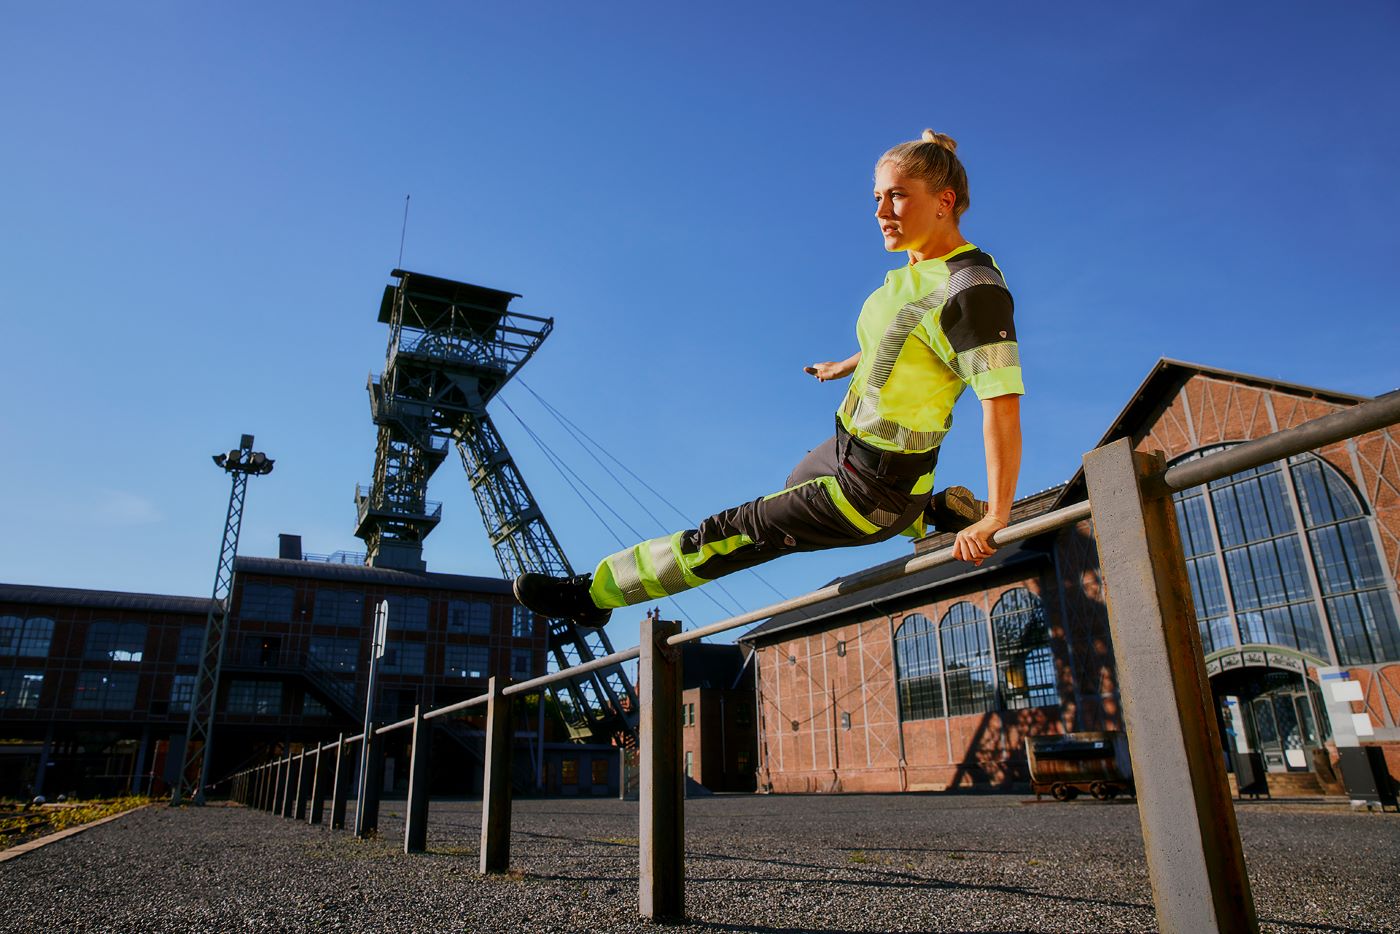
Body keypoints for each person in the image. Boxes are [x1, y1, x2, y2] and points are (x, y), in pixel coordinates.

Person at [514, 129, 1023, 629]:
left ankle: (593, 594)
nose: (880, 212)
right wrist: (846, 365)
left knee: (732, 533)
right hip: (847, 446)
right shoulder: (916, 269)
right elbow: (905, 334)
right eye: (877, 197)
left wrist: (996, 516)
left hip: (874, 486)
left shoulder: (971, 290)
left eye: (896, 197)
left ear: (944, 201)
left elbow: (1000, 403)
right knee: (794, 484)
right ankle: (929, 509)